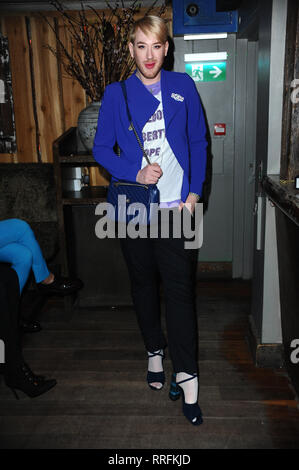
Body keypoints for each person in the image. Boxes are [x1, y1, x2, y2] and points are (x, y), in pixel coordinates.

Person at [93, 16, 207, 425]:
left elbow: (198, 139)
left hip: (176, 209)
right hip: (135, 209)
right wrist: (132, 172)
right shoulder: (115, 93)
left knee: (179, 293)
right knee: (143, 285)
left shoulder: (184, 87)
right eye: (141, 46)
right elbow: (101, 147)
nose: (149, 55)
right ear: (131, 50)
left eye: (156, 46)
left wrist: (194, 194)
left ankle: (188, 376)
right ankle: (154, 352)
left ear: (167, 49)